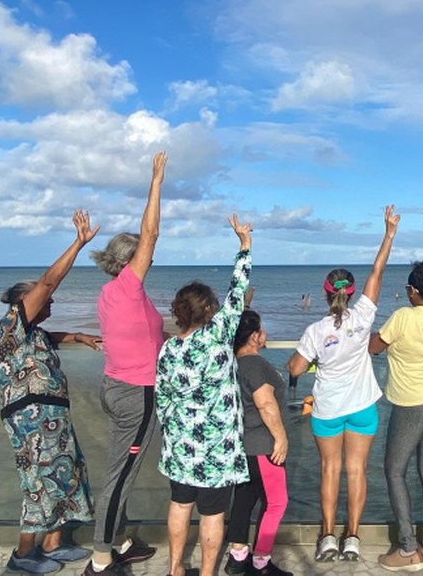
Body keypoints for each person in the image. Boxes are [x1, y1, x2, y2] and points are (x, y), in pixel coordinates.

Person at [0, 210, 104, 575]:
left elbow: (49, 337)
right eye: (44, 302)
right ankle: (24, 554)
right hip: (30, 420)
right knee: (38, 483)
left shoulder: (33, 332)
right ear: (25, 303)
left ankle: (53, 543)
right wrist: (79, 243)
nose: (51, 304)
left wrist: (76, 336)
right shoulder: (11, 325)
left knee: (66, 474)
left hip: (52, 417)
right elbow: (49, 283)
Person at [287, 205, 399, 563]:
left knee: (329, 471)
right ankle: (353, 537)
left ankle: (328, 537)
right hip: (363, 407)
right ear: (350, 293)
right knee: (357, 472)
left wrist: (313, 359)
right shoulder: (364, 317)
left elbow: (294, 367)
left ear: (324, 293)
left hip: (328, 410)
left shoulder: (316, 331)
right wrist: (388, 234)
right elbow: (377, 272)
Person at [83, 152, 167, 576]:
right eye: (142, 256)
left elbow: (146, 336)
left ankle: (124, 540)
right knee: (120, 473)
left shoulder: (112, 293)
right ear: (132, 260)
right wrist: (156, 181)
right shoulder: (130, 286)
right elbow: (150, 233)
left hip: (117, 387)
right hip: (136, 393)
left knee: (123, 467)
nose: (148, 260)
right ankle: (100, 559)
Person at [156, 214, 253, 576]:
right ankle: (208, 573)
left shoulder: (168, 350)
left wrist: (172, 432)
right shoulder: (218, 335)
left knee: (180, 505)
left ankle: (176, 569)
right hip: (218, 446)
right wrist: (244, 245)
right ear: (209, 310)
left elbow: (163, 402)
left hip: (181, 442)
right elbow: (238, 289)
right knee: (213, 514)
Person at [369, 204, 423, 572]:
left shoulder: (403, 318)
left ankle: (407, 550)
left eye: (409, 289)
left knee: (394, 471)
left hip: (410, 406)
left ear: (415, 292)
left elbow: (375, 347)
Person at [224, 309, 293, 576]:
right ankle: (260, 563)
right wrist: (281, 438)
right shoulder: (256, 364)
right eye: (261, 330)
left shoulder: (233, 364)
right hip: (263, 445)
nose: (265, 334)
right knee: (276, 503)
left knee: (244, 499)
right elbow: (265, 403)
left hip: (242, 446)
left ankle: (237, 557)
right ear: (254, 336)